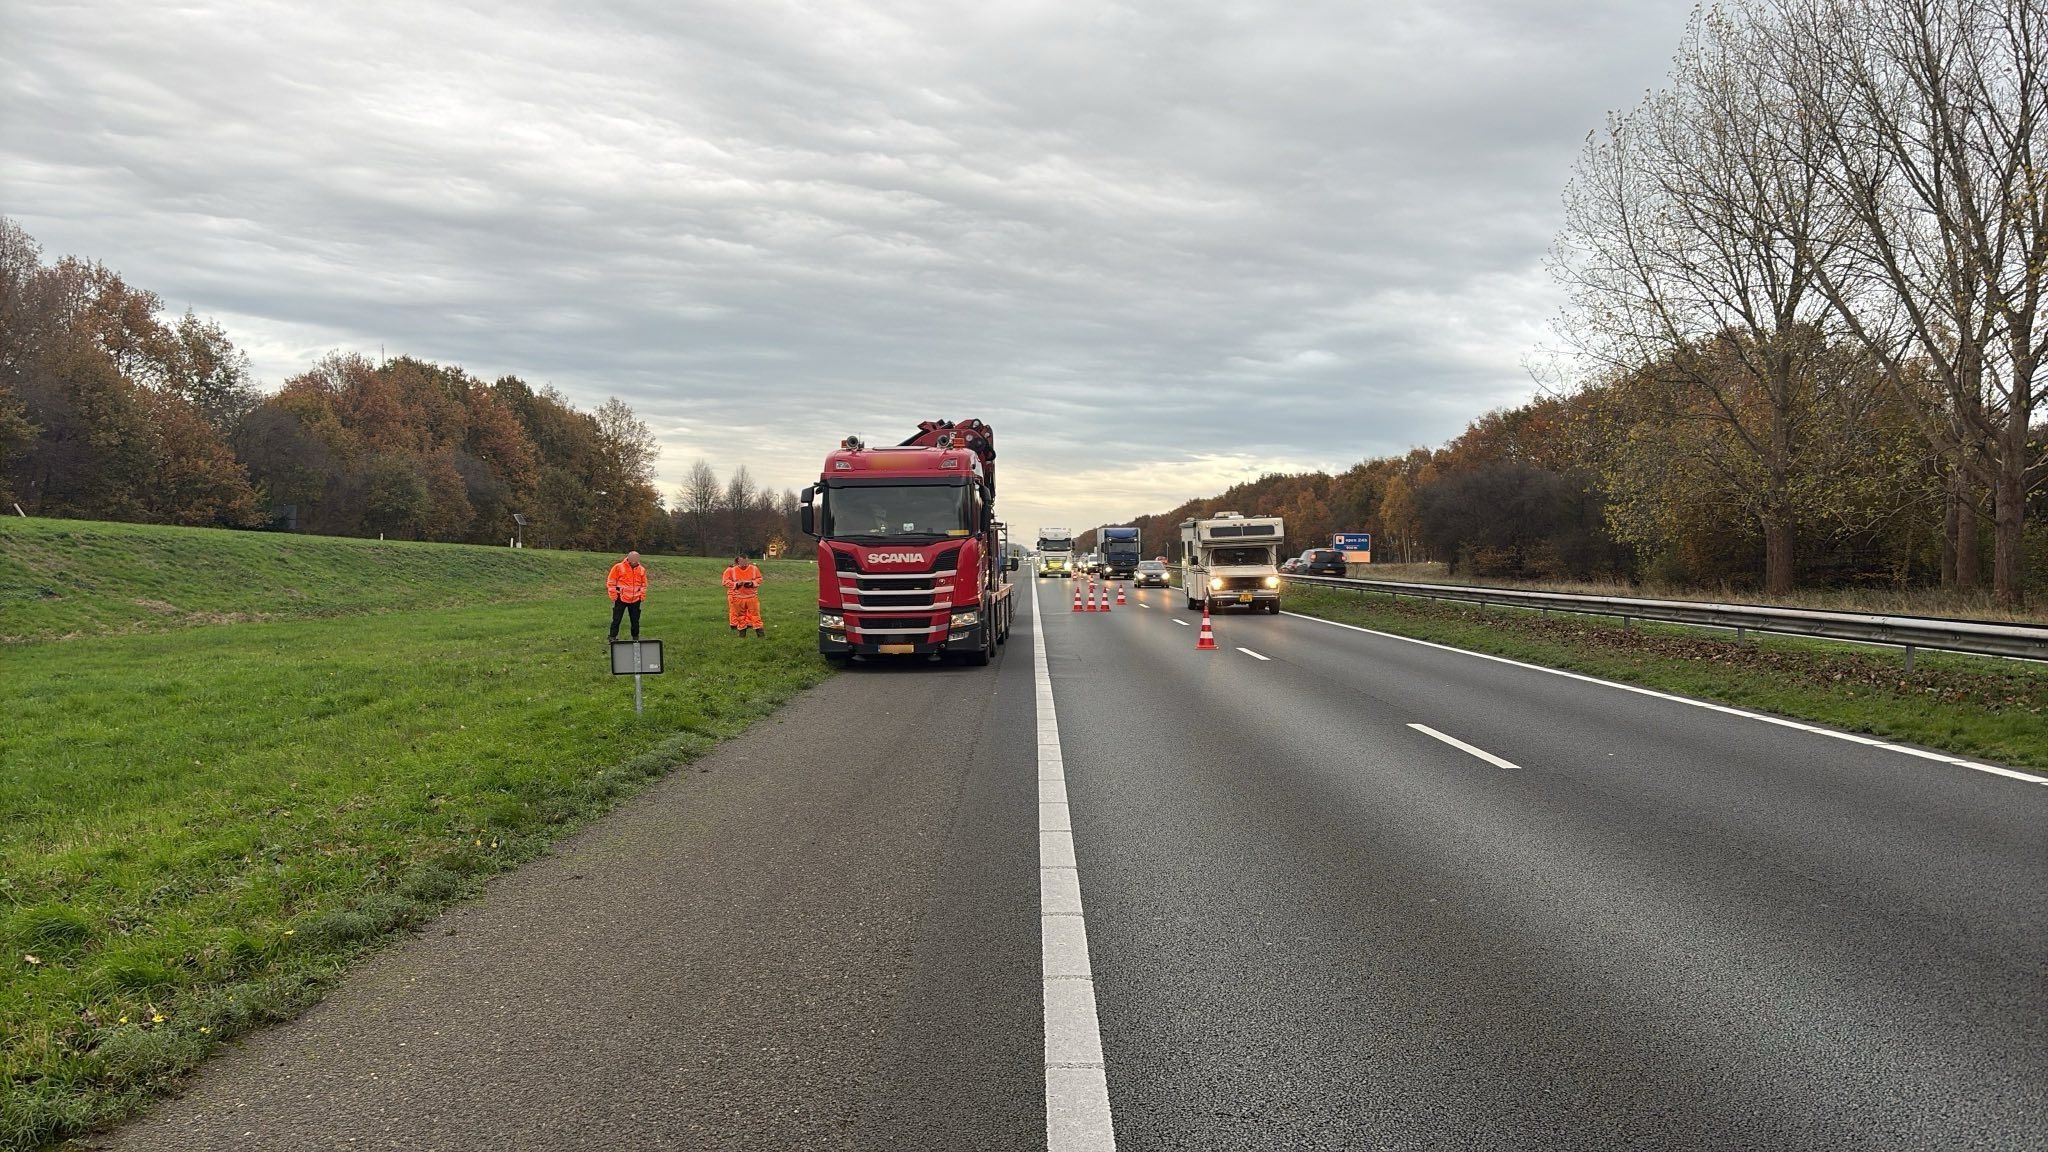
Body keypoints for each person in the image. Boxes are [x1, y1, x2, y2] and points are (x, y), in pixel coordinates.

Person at [606, 550, 647, 641]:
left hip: (635, 599)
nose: (634, 560)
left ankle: (635, 638)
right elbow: (611, 582)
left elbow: (643, 584)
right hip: (621, 598)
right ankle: (612, 637)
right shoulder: (618, 567)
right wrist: (613, 595)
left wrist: (642, 596)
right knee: (616, 619)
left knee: (635, 621)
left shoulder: (642, 569)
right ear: (628, 557)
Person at [723, 553, 765, 636]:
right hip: (738, 597)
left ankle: (760, 634)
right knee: (740, 616)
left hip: (752, 597)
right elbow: (725, 582)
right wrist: (736, 584)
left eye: (745, 561)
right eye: (741, 561)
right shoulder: (732, 570)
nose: (744, 564)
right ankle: (742, 634)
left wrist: (752, 583)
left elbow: (759, 579)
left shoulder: (754, 569)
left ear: (747, 560)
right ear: (738, 561)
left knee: (755, 616)